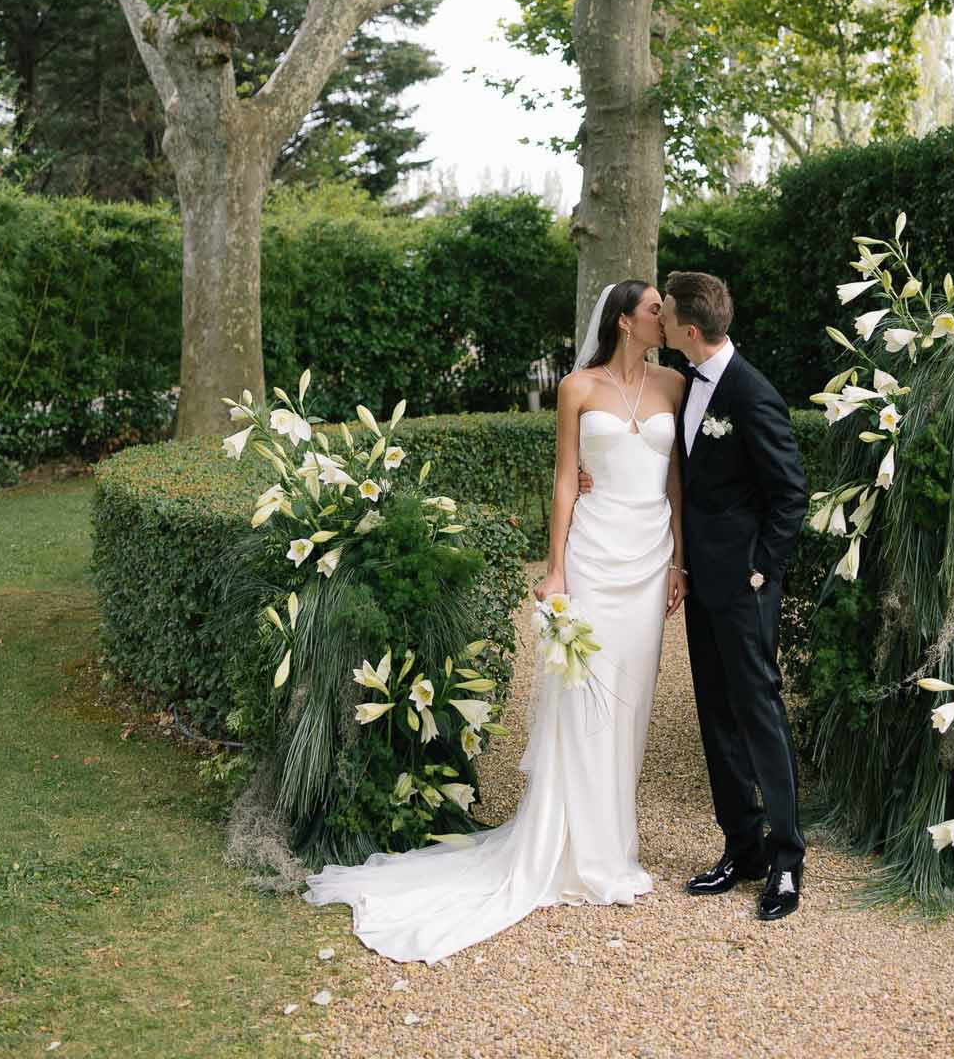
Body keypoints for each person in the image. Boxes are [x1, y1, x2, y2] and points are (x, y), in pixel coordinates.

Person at [302, 279, 687, 963]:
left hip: (651, 557)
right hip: (594, 557)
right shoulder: (577, 386)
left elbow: (676, 479)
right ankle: (574, 850)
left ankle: (612, 843)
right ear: (625, 320)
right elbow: (567, 478)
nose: (666, 316)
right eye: (656, 308)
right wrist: (556, 567)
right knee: (583, 697)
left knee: (632, 700)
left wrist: (681, 557)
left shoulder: (674, 388)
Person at [661, 269, 809, 921]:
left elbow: (790, 492)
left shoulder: (751, 394)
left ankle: (786, 857)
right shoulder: (688, 385)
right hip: (702, 584)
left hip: (744, 589)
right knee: (716, 715)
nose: (659, 322)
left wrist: (761, 573)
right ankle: (741, 845)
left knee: (759, 716)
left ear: (689, 329)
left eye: (665, 315)